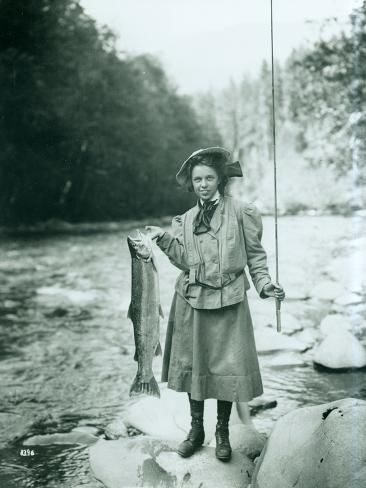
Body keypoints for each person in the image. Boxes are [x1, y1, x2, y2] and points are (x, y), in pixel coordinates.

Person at [146, 147, 285, 462]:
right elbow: (184, 259)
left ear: (221, 179)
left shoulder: (242, 212)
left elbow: (255, 258)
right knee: (197, 365)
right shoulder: (184, 220)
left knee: (227, 367)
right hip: (191, 301)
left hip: (230, 301)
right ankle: (196, 430)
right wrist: (163, 239)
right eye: (197, 179)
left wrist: (265, 285)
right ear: (192, 183)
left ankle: (222, 430)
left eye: (209, 177)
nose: (203, 184)